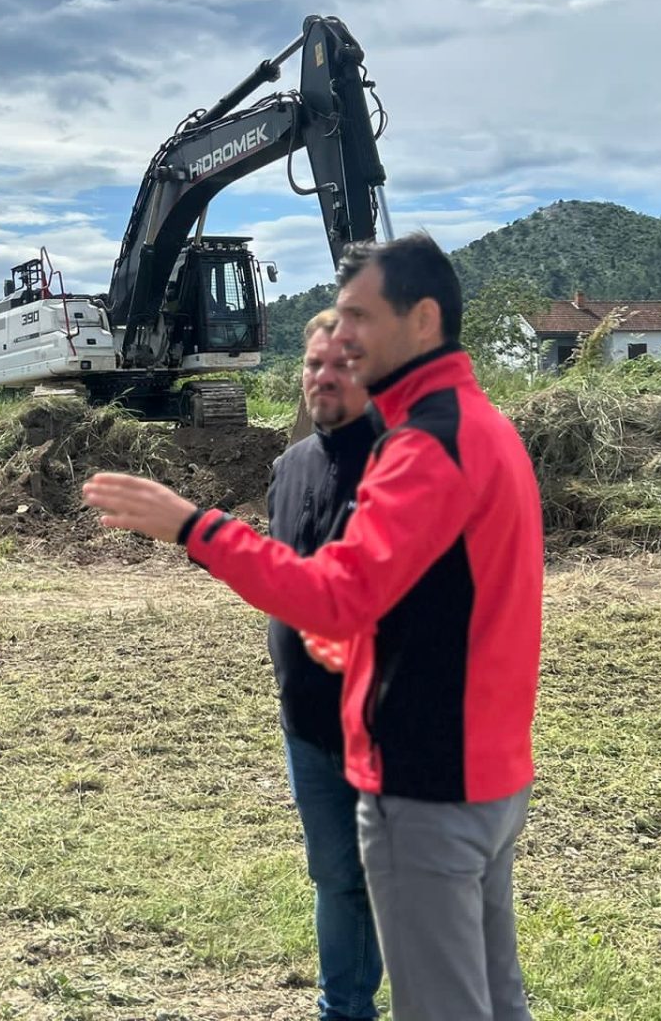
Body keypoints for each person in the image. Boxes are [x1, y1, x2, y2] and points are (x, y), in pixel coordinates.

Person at [83, 233, 542, 1021]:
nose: (345, 337)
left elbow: (340, 594)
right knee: (496, 1001)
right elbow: (428, 596)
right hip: (481, 768)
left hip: (425, 779)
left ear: (422, 320)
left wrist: (194, 527)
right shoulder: (479, 426)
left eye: (360, 317)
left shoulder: (424, 446)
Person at [268, 311, 385, 1021]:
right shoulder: (289, 467)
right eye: (314, 364)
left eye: (343, 364)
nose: (324, 378)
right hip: (307, 721)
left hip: (391, 721)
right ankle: (342, 1010)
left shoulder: (408, 467)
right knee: (336, 875)